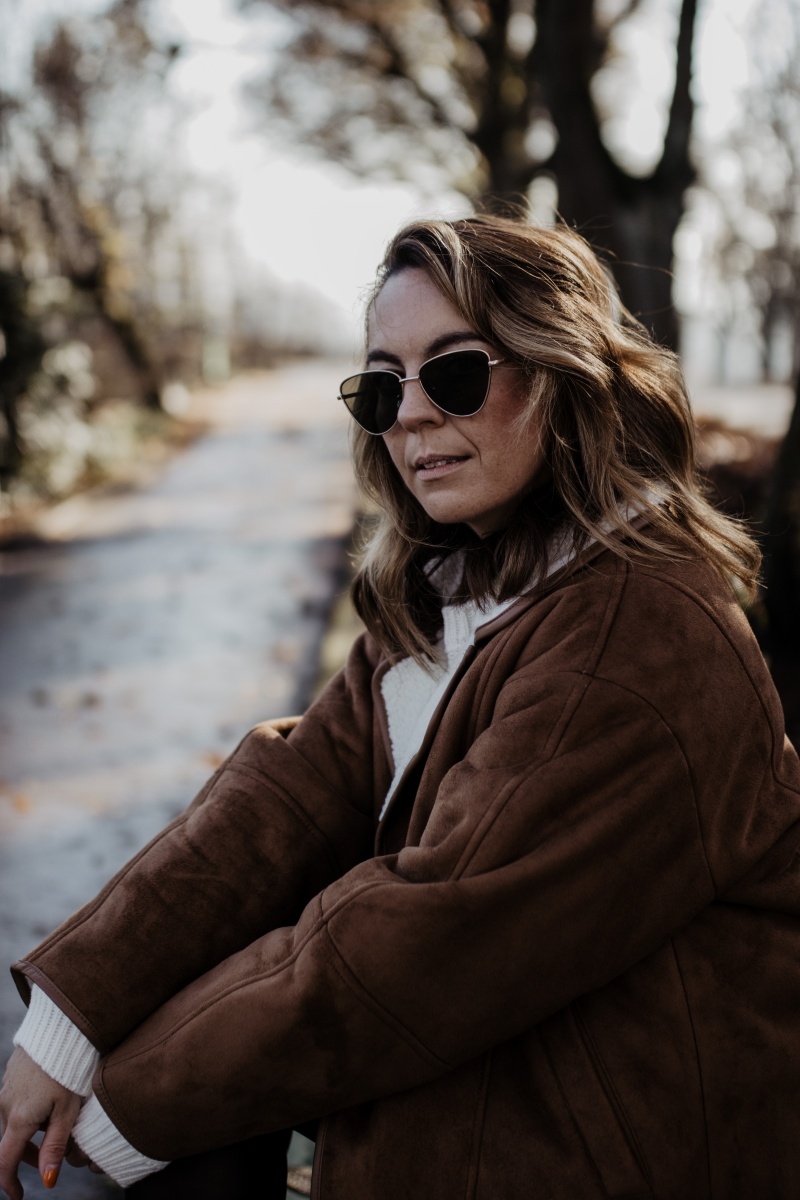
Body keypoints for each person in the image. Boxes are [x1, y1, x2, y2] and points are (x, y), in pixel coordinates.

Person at [1, 213, 799, 1200]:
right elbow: (289, 799)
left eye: (454, 373)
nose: (411, 415)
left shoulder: (633, 640)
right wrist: (71, 1022)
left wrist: (128, 1106)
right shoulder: (461, 590)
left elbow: (418, 942)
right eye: (383, 386)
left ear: (559, 375)